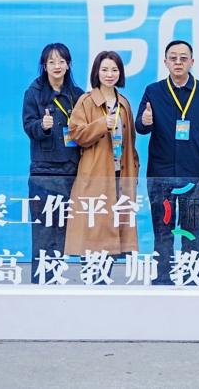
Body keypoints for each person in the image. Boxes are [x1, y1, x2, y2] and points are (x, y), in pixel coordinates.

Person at [135, 40, 199, 285]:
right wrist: (145, 121)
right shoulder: (153, 91)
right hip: (160, 175)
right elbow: (140, 127)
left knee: (191, 232)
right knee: (163, 232)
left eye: (183, 58)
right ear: (165, 62)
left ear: (192, 62)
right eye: (173, 58)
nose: (178, 62)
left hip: (194, 174)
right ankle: (162, 280)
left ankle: (190, 280)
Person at [64, 50, 139, 259]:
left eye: (114, 70)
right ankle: (92, 278)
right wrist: (100, 125)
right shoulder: (86, 101)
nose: (109, 74)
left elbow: (131, 141)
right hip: (95, 175)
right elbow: (76, 134)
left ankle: (105, 277)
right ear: (96, 72)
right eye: (104, 69)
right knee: (93, 235)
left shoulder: (124, 103)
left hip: (120, 175)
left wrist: (134, 170)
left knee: (115, 237)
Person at [21, 43, 84, 283]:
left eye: (61, 61)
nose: (57, 66)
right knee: (42, 231)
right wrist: (42, 126)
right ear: (44, 66)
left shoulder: (77, 95)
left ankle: (56, 279)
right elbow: (28, 125)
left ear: (68, 65)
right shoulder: (34, 92)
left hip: (71, 171)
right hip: (43, 173)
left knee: (63, 231)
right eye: (51, 62)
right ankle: (41, 283)